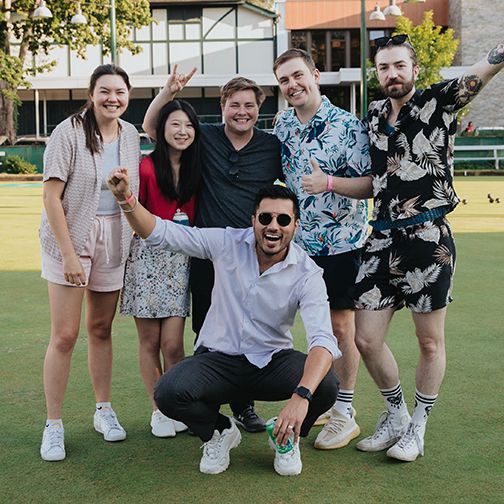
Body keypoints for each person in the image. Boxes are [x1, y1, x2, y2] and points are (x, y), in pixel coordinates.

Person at [302, 35, 504, 462]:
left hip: (429, 239)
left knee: (429, 342)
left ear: (413, 69)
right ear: (377, 73)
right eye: (384, 67)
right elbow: (375, 182)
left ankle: (418, 426)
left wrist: (498, 55)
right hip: (381, 239)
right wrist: (331, 183)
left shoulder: (436, 102)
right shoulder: (373, 115)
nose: (391, 74)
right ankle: (394, 414)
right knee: (366, 338)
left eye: (399, 66)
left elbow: (475, 79)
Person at [107, 175, 340, 476]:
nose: (273, 226)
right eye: (266, 217)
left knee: (326, 384)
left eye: (283, 219)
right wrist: (127, 199)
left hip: (271, 361)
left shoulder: (307, 273)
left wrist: (300, 398)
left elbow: (322, 339)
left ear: (295, 225)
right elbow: (162, 234)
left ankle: (285, 436)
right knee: (167, 392)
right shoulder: (228, 242)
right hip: (218, 360)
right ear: (253, 219)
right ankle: (220, 431)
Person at [142, 65, 283, 432]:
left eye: (249, 105)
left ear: (258, 108)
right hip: (209, 250)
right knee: (207, 327)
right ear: (223, 107)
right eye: (234, 104)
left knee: (252, 329)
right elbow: (155, 128)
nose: (242, 111)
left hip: (255, 254)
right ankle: (204, 405)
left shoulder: (271, 146)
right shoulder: (203, 136)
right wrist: (168, 92)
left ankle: (243, 404)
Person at [39, 64, 140, 461]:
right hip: (71, 234)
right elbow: (51, 198)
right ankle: (53, 425)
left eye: (119, 91)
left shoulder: (131, 134)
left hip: (115, 235)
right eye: (105, 91)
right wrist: (68, 255)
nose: (112, 98)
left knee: (101, 328)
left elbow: (126, 190)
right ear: (92, 93)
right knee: (64, 336)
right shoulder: (68, 132)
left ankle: (103, 410)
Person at [273, 48, 371, 450]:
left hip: (342, 245)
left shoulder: (348, 125)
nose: (292, 85)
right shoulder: (282, 125)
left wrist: (328, 183)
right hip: (300, 247)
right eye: (284, 80)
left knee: (340, 328)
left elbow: (370, 184)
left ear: (315, 74)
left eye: (298, 76)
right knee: (312, 328)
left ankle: (345, 412)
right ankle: (327, 401)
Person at [120, 100, 200, 438]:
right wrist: (167, 90)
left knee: (173, 344)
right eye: (175, 125)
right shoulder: (146, 168)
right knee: (149, 341)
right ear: (161, 131)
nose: (182, 132)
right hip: (147, 256)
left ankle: (175, 403)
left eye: (188, 126)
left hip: (182, 258)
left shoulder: (200, 165)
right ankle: (159, 410)